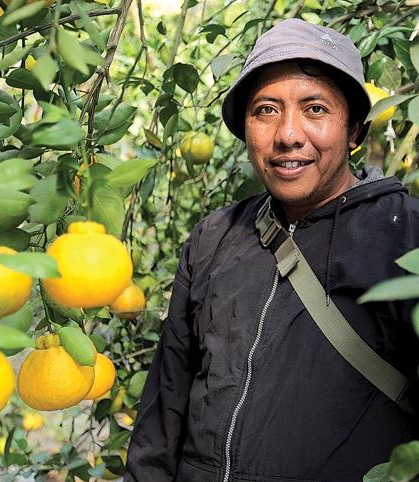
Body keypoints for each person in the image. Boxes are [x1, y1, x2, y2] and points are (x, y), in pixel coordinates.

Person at [124, 18, 419, 482]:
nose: (287, 134)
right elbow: (164, 413)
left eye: (315, 108)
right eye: (266, 110)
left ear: (354, 131)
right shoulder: (214, 237)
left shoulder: (405, 238)